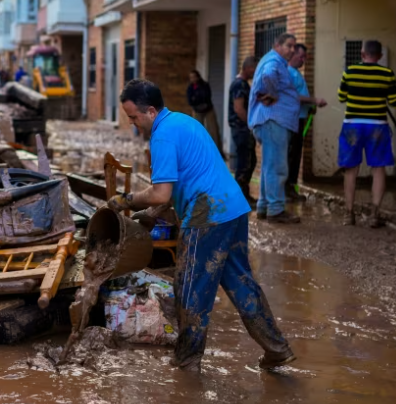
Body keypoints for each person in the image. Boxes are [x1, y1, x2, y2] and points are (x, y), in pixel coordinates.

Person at [108, 79, 295, 372]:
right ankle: (277, 348)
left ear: (151, 111)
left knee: (191, 289)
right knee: (241, 283)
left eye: (134, 117)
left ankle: (187, 361)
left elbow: (161, 192)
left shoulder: (162, 137)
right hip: (232, 208)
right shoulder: (184, 122)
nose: (133, 124)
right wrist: (150, 214)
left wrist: (126, 199)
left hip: (206, 215)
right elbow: (177, 186)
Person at [337, 40, 396, 227]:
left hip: (352, 126)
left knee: (351, 169)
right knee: (378, 169)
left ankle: (349, 214)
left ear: (362, 54)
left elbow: (341, 97)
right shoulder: (387, 74)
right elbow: (393, 101)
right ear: (380, 56)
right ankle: (374, 215)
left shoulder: (349, 72)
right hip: (377, 126)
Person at [249, 33, 301, 223]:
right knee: (277, 167)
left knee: (269, 166)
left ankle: (265, 206)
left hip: (271, 122)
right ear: (277, 45)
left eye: (294, 47)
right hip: (273, 121)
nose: (292, 50)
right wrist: (271, 93)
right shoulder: (274, 61)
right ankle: (276, 209)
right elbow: (268, 75)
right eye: (289, 46)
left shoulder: (272, 60)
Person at [287, 44, 327, 201]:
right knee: (291, 155)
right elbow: (293, 96)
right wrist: (314, 101)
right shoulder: (288, 73)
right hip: (292, 120)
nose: (303, 60)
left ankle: (290, 188)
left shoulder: (296, 73)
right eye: (301, 57)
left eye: (305, 57)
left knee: (296, 155)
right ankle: (287, 191)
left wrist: (310, 107)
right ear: (292, 55)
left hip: (300, 118)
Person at [229, 56, 258, 203]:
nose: (255, 72)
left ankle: (242, 196)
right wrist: (250, 124)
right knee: (245, 163)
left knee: (249, 161)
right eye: (254, 68)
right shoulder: (240, 85)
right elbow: (239, 108)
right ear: (247, 68)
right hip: (241, 129)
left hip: (242, 129)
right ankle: (239, 198)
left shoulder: (243, 84)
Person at [186, 70, 222, 153]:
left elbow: (207, 96)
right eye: (191, 78)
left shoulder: (204, 85)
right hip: (197, 110)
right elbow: (190, 101)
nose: (193, 79)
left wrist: (197, 98)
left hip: (208, 108)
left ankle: (216, 150)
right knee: (197, 130)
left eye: (194, 77)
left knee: (213, 130)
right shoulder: (190, 88)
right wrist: (197, 100)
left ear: (198, 77)